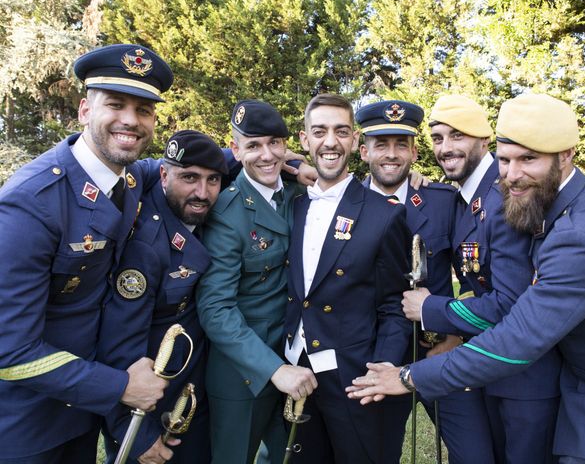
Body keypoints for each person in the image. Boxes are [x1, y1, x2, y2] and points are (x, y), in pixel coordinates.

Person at [347, 93, 585, 463]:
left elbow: (517, 335)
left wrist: (410, 375)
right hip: (578, 385)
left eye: (529, 158)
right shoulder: (553, 198)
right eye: (505, 160)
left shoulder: (581, 234)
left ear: (566, 154)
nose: (512, 175)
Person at [0, 44, 173, 463]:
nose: (131, 120)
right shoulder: (31, 203)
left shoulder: (128, 178)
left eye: (144, 109)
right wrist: (119, 387)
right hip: (28, 426)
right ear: (84, 111)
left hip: (82, 416)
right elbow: (9, 351)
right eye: (115, 104)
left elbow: (187, 165)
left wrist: (273, 162)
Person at [402, 94, 561, 463]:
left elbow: (512, 304)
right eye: (438, 138)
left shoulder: (504, 198)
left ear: (485, 140)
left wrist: (432, 309)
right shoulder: (467, 197)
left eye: (457, 136)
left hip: (527, 380)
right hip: (495, 368)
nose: (445, 148)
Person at [356, 99, 497, 464]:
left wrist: (455, 334)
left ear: (415, 151)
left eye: (401, 144)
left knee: (475, 454)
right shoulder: (343, 206)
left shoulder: (443, 201)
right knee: (376, 453)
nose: (391, 154)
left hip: (439, 349)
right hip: (376, 357)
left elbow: (471, 276)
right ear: (362, 150)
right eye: (381, 144)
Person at [283, 93, 412, 463]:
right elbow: (237, 161)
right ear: (304, 140)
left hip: (355, 378)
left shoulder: (385, 215)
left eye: (341, 132)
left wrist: (383, 369)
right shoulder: (293, 205)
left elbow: (394, 305)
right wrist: (290, 165)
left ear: (355, 141)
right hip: (296, 369)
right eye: (319, 131)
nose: (330, 142)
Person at [196, 100, 318, 464]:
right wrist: (273, 369)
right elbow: (216, 309)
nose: (266, 155)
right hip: (243, 372)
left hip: (296, 357)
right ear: (235, 150)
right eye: (253, 146)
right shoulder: (227, 213)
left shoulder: (299, 194)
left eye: (274, 143)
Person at [98, 130, 229, 463]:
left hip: (191, 399)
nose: (202, 192)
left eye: (213, 180)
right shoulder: (147, 246)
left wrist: (289, 162)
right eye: (189, 178)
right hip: (150, 411)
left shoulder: (186, 210)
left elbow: (240, 157)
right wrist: (135, 435)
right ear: (163, 174)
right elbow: (118, 347)